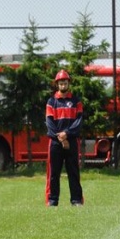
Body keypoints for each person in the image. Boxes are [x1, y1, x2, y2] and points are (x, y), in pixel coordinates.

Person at [45, 69, 84, 206]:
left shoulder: (76, 101)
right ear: (57, 84)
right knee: (54, 173)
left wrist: (66, 134)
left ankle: (76, 200)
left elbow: (78, 122)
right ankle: (52, 200)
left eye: (65, 82)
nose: (63, 85)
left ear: (68, 83)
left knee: (73, 172)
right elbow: (50, 124)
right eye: (60, 83)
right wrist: (61, 138)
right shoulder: (51, 102)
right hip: (56, 143)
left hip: (71, 142)